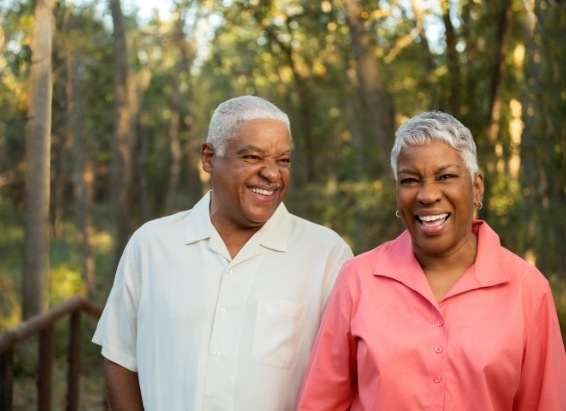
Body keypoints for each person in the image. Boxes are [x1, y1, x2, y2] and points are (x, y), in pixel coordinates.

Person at [92, 95, 353, 410]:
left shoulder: (326, 255)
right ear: (208, 157)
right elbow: (120, 357)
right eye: (253, 156)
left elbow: (345, 379)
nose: (272, 174)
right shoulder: (150, 245)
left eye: (283, 160)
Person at [297, 111, 566, 410]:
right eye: (410, 180)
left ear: (477, 187)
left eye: (446, 176)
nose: (427, 195)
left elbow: (547, 402)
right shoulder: (358, 279)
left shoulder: (528, 289)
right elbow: (320, 403)